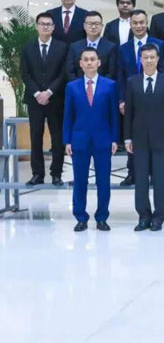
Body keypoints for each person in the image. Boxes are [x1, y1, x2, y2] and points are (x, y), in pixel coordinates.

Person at [124, 44, 164, 232]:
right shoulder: (133, 82)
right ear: (140, 59)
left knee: (160, 180)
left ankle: (158, 217)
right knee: (140, 180)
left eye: (152, 57)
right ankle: (143, 216)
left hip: (161, 139)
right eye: (145, 57)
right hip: (139, 139)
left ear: (158, 59)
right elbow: (129, 113)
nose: (148, 60)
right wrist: (127, 138)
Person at [63, 47, 118, 232]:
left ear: (99, 62)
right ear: (80, 63)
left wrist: (114, 139)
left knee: (103, 181)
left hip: (103, 140)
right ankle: (81, 217)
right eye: (85, 59)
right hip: (79, 140)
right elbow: (68, 115)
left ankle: (102, 217)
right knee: (80, 181)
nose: (89, 62)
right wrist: (67, 140)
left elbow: (114, 115)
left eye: (92, 59)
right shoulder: (72, 87)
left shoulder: (110, 85)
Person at [116, 9, 164, 186]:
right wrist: (122, 99)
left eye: (142, 22)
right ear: (130, 24)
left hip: (155, 98)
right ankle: (132, 172)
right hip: (132, 99)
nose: (139, 26)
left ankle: (153, 173)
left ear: (147, 23)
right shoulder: (123, 48)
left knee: (154, 136)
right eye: (135, 23)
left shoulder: (159, 45)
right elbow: (120, 75)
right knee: (133, 136)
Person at [21, 12, 68, 186]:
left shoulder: (62, 47)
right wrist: (37, 94)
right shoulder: (28, 48)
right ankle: (37, 174)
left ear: (53, 27)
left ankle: (56, 174)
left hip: (55, 99)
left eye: (48, 24)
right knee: (36, 137)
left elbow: (63, 73)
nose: (45, 26)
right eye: (42, 24)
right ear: (37, 26)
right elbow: (25, 74)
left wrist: (49, 92)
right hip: (34, 101)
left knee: (57, 138)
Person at [66, 11, 117, 81]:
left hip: (102, 86)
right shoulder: (74, 47)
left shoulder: (111, 47)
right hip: (79, 86)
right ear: (84, 26)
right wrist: (79, 85)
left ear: (102, 26)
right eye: (90, 24)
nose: (93, 27)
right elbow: (70, 72)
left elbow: (111, 72)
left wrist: (99, 85)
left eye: (97, 24)